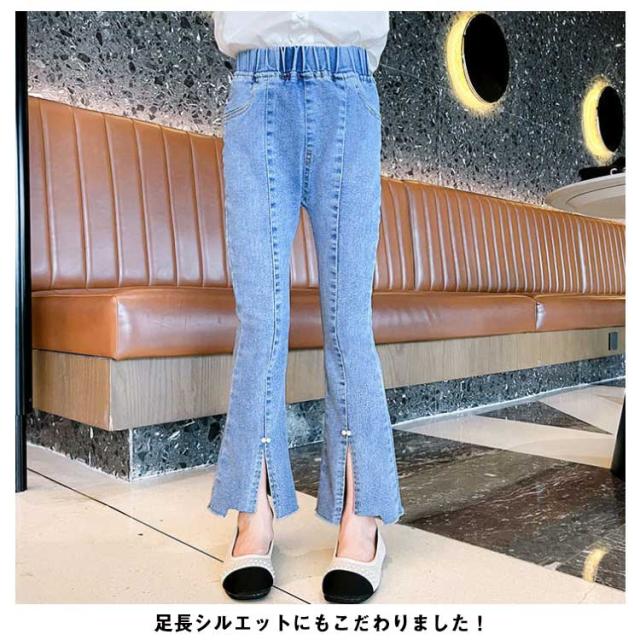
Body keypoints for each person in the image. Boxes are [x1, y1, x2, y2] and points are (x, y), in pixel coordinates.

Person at [208, 11, 404, 604]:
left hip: (348, 87)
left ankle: (361, 516)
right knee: (261, 322)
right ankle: (254, 512)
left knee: (348, 323)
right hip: (257, 87)